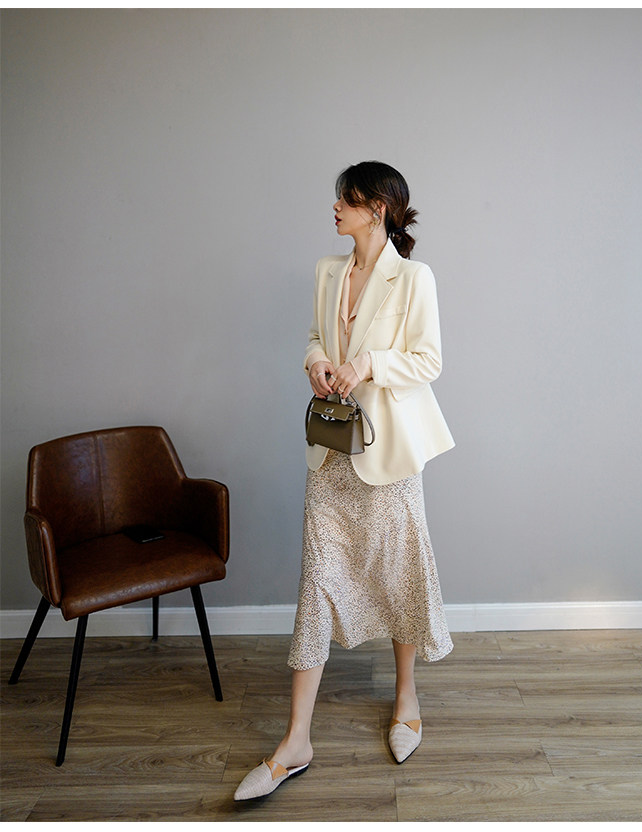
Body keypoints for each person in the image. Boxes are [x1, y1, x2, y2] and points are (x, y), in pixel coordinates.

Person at [234, 160, 455, 801]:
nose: (335, 207)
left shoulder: (413, 278)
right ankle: (296, 740)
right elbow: (313, 337)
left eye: (347, 199)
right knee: (317, 582)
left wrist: (368, 365)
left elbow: (429, 361)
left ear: (377, 209)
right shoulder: (328, 271)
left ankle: (406, 696)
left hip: (387, 455)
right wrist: (317, 363)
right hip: (332, 453)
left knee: (398, 569)